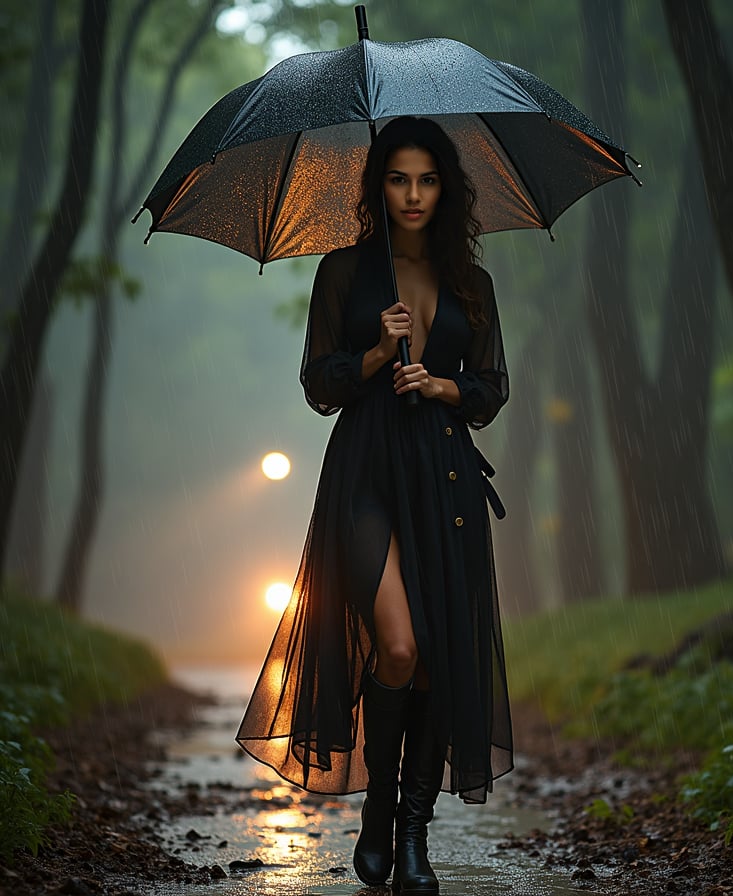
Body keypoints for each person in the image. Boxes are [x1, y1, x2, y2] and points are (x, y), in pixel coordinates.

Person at [236, 116, 512, 894]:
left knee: (430, 659)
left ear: (445, 187)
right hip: (363, 473)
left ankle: (413, 834)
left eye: (427, 179)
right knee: (397, 643)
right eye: (399, 178)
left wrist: (441, 383)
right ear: (377, 185)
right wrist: (377, 355)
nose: (414, 194)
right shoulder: (345, 272)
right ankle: (380, 815)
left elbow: (493, 388)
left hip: (445, 479)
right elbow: (319, 385)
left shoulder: (471, 284)